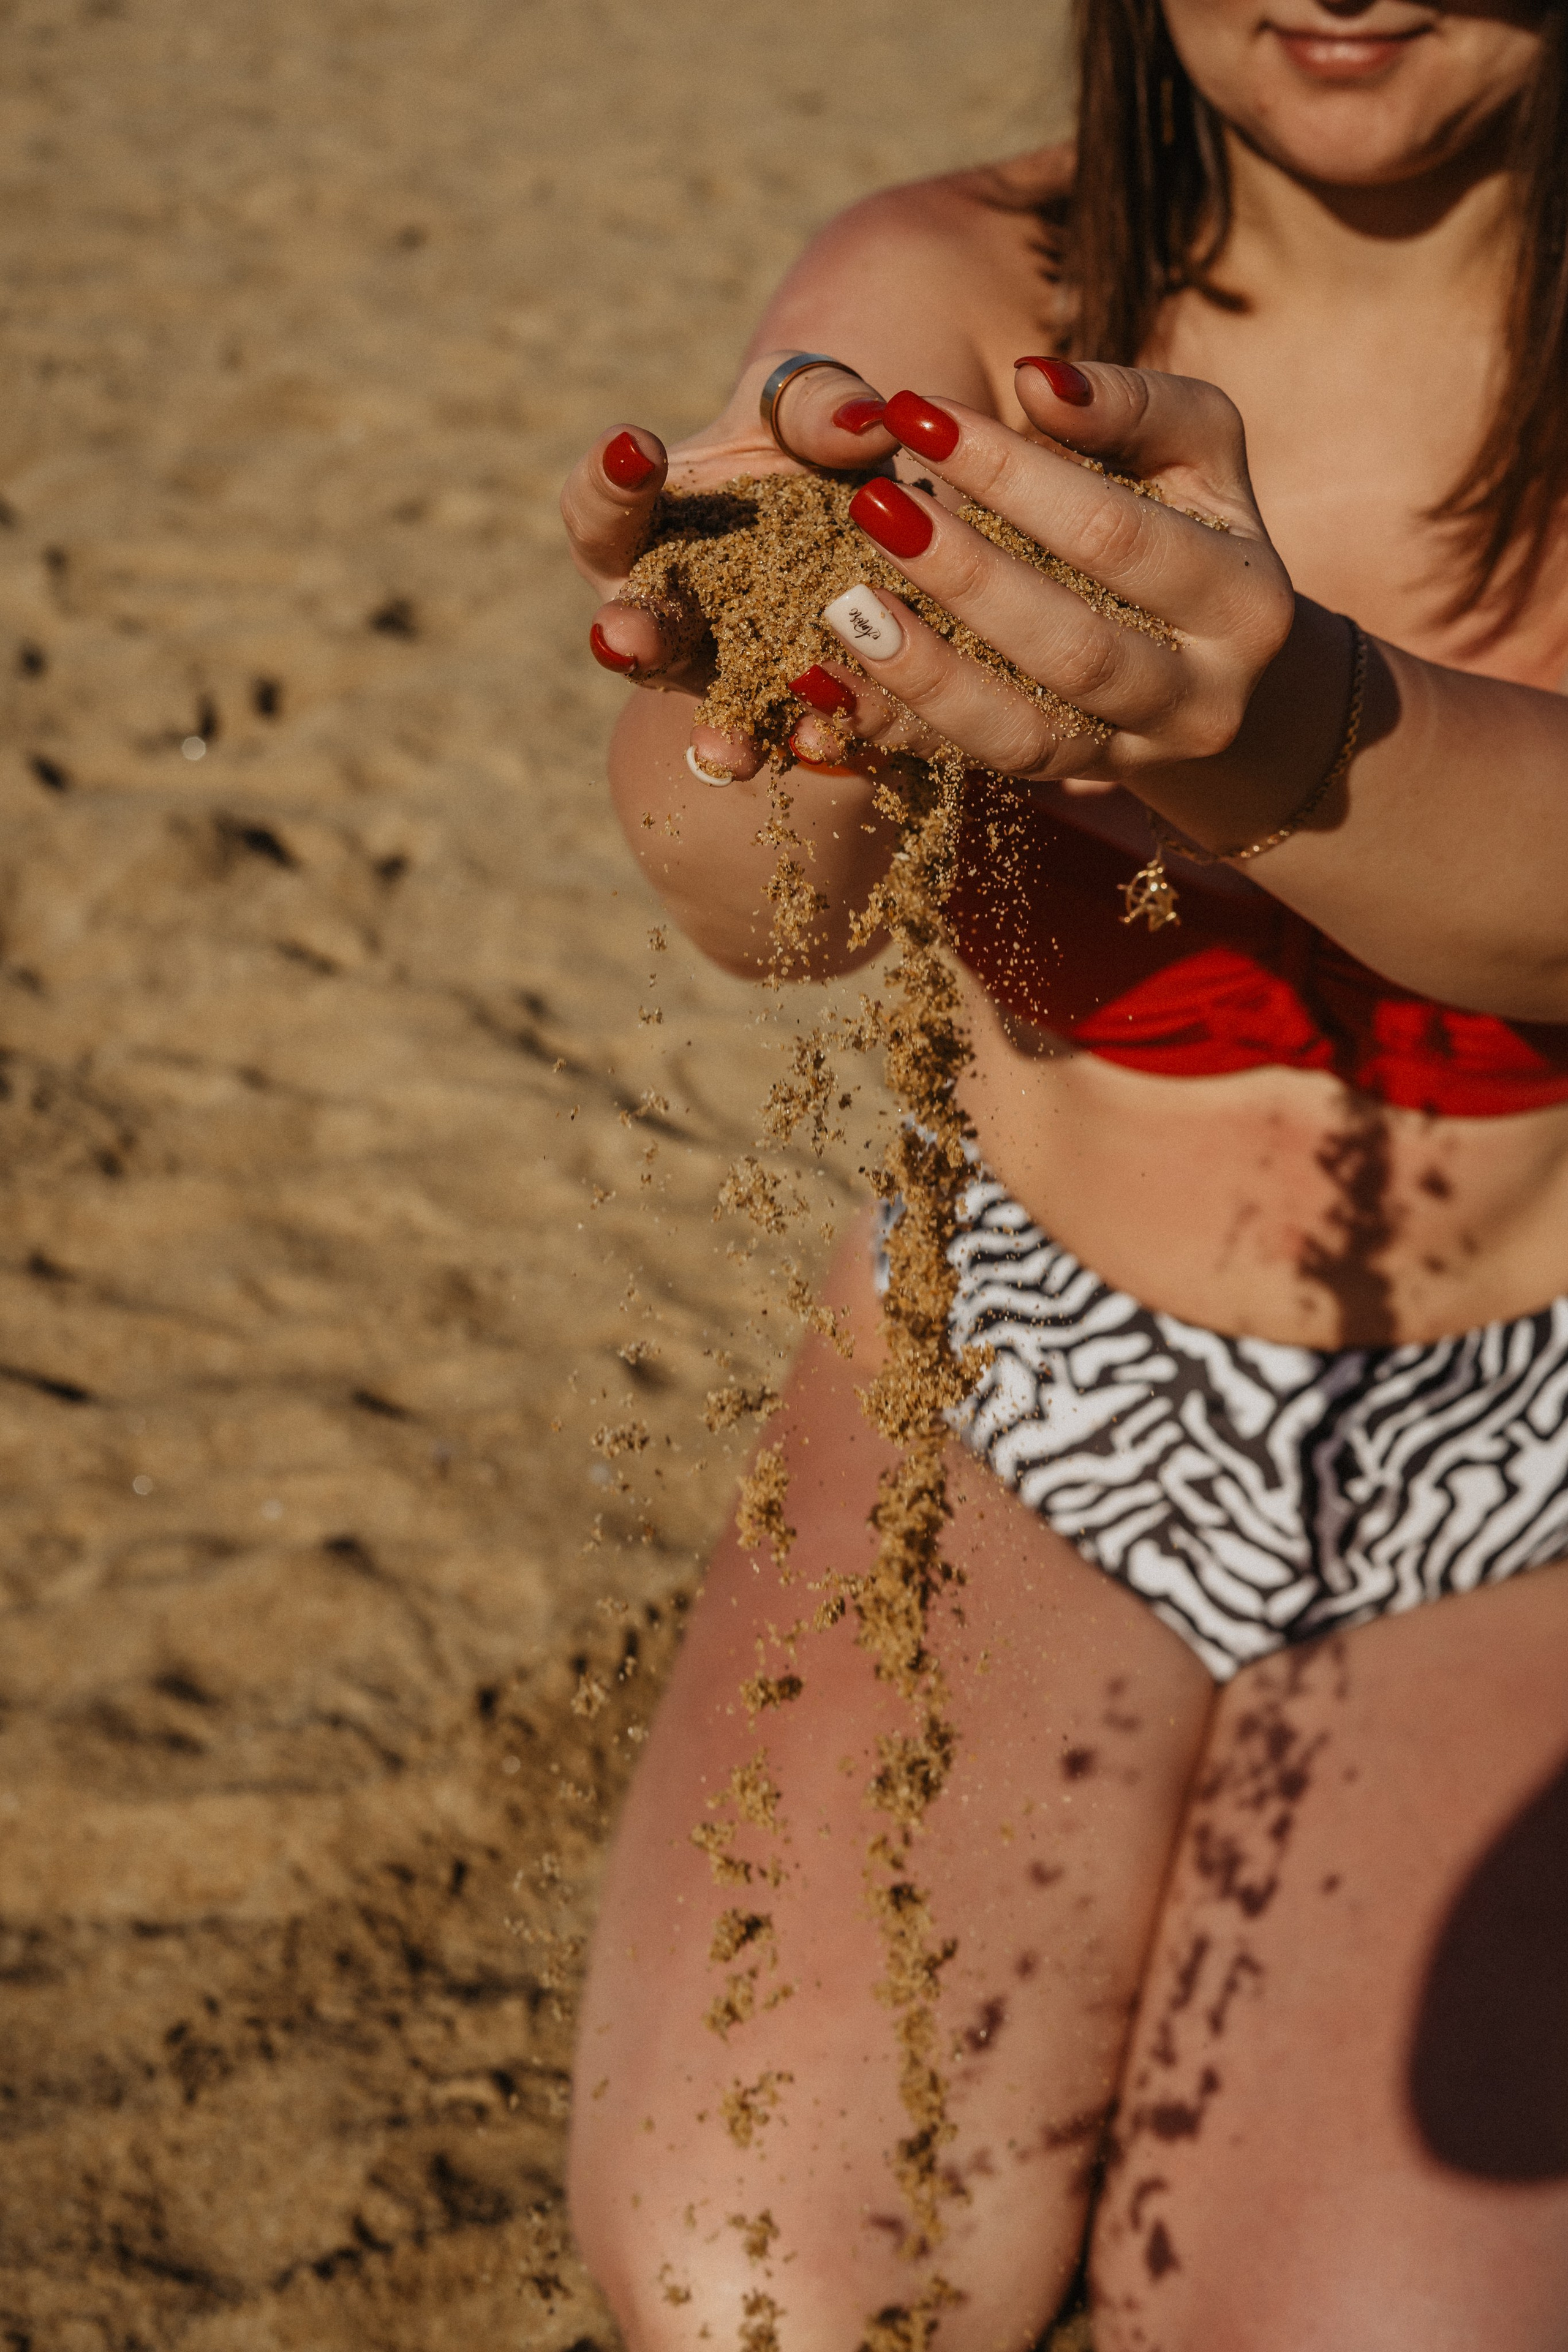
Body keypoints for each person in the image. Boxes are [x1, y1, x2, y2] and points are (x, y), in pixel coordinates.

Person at [559, 0, 1568, 2341]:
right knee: (751, 2289)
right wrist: (778, 723)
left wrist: (1283, 733)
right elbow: (754, 912)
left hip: (1533, 1447)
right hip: (1028, 1376)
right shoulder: (952, 299)